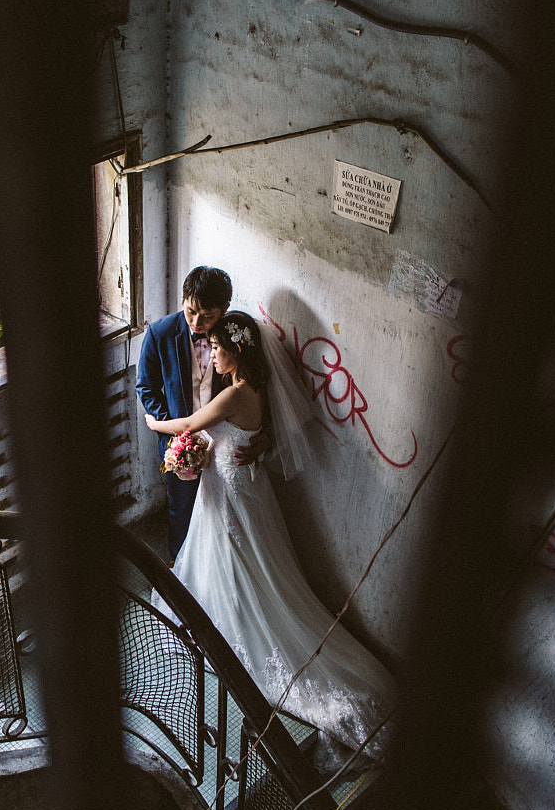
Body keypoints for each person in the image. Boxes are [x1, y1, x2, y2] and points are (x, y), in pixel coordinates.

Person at [145, 310, 396, 762]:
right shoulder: (256, 388)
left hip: (233, 494)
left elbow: (187, 424)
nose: (211, 354)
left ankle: (243, 623)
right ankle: (229, 607)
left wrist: (153, 423)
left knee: (243, 563)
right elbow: (254, 431)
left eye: (218, 348)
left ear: (237, 351)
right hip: (241, 486)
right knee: (247, 563)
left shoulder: (235, 393)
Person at [136, 267, 268, 558]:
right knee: (180, 508)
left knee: (219, 515)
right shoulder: (160, 333)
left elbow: (257, 387)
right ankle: (178, 567)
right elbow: (146, 387)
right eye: (190, 311)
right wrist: (171, 432)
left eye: (207, 315)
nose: (197, 322)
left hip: (223, 448)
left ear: (225, 309)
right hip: (178, 443)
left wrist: (265, 434)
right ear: (183, 300)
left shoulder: (237, 340)